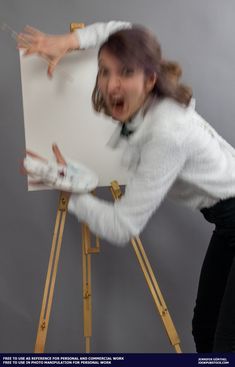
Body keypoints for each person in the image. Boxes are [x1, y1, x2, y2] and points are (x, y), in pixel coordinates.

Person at [18, 21, 235, 352]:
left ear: (150, 78)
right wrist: (67, 41)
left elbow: (123, 226)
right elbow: (122, 29)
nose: (111, 84)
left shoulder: (165, 133)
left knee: (225, 344)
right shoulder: (149, 103)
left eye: (125, 73)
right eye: (104, 71)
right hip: (228, 222)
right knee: (204, 328)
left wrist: (69, 191)